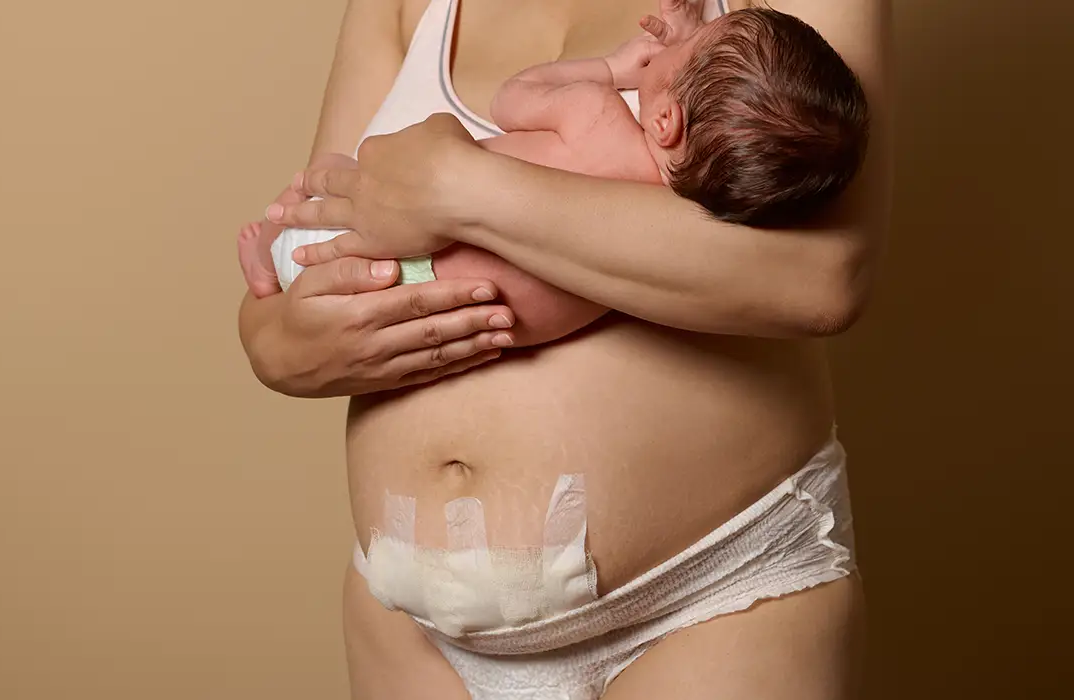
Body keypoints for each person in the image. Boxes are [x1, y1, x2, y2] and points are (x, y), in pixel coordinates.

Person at [239, 0, 890, 697]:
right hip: (411, 630)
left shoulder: (738, 35)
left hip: (709, 601)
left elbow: (824, 278)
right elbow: (317, 220)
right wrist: (275, 349)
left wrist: (459, 188)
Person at [240, 5, 869, 351]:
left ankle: (273, 263)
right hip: (452, 323)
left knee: (313, 222)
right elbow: (273, 338)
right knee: (332, 213)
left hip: (396, 281)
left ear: (668, 117)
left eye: (695, 41)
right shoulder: (680, 207)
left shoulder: (594, 112)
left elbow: (517, 98)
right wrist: (279, 352)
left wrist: (613, 67)